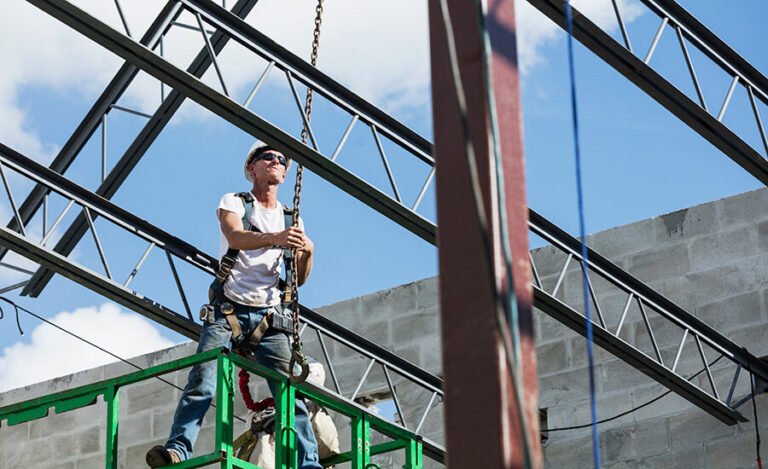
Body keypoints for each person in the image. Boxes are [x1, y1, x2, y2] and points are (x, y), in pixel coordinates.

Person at [146, 143, 320, 468]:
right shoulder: (235, 202)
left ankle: (309, 464)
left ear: (285, 174)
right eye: (268, 157)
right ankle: (178, 449)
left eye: (281, 160)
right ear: (251, 168)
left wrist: (307, 251)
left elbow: (299, 279)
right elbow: (235, 236)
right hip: (229, 311)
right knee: (203, 378)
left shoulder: (291, 218)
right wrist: (277, 238)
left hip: (269, 318)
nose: (276, 161)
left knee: (291, 393)